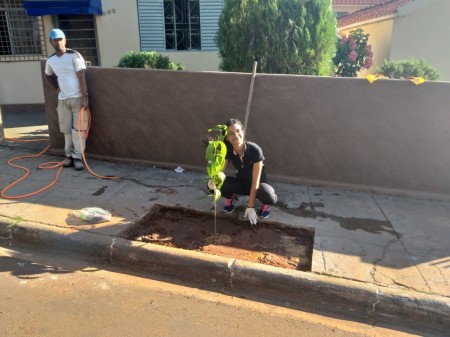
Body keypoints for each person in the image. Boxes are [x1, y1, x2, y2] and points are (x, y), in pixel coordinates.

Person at [44, 28, 88, 171]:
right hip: (63, 99)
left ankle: (78, 157)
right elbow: (47, 76)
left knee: (79, 130)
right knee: (66, 130)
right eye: (55, 39)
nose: (58, 42)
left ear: (65, 40)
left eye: (60, 39)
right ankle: (68, 155)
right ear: (50, 41)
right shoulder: (50, 60)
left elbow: (82, 77)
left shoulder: (74, 56)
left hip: (77, 98)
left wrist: (84, 98)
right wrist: (56, 88)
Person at [220, 118, 277, 225]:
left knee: (268, 195)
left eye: (238, 131)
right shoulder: (228, 151)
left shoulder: (255, 150)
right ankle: (231, 198)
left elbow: (255, 182)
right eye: (231, 133)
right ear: (227, 137)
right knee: (215, 184)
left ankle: (265, 204)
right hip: (243, 183)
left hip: (258, 185)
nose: (236, 135)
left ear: (242, 131)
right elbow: (220, 173)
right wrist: (214, 181)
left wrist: (250, 207)